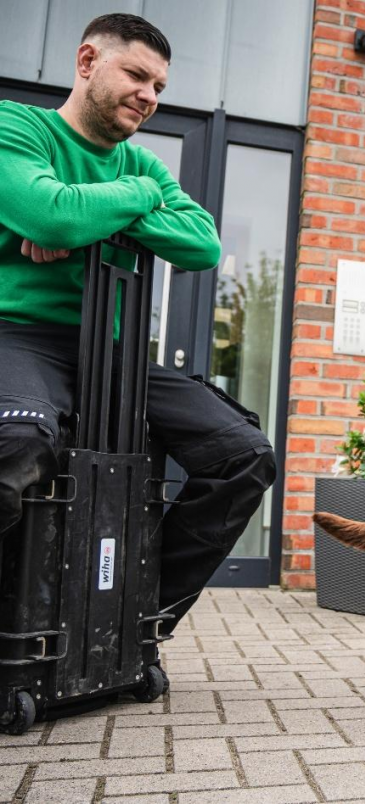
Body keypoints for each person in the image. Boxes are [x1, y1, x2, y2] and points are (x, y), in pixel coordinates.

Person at [0, 14, 276, 636]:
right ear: (87, 61)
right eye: (137, 75)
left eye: (159, 87)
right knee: (16, 442)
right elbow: (49, 215)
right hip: (17, 332)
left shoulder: (141, 164)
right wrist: (118, 203)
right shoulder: (18, 126)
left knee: (244, 456)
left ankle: (134, 624)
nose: (149, 96)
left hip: (110, 348)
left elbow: (202, 244)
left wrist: (89, 213)